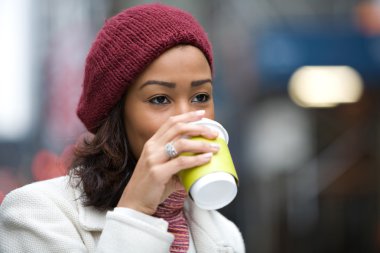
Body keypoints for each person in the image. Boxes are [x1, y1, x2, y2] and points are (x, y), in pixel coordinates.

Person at [0, 3, 245, 253]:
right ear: (116, 114)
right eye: (160, 99)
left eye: (201, 97)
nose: (187, 118)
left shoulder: (224, 234)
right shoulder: (35, 213)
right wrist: (136, 211)